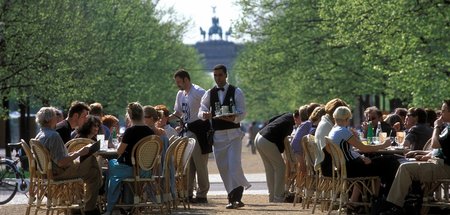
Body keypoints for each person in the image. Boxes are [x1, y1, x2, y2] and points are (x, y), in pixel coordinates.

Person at [381, 100, 450, 215]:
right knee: (403, 164)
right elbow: (441, 149)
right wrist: (424, 154)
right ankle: (408, 201)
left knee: (405, 168)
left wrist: (437, 127)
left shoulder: (445, 128)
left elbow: (435, 144)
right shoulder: (447, 127)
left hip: (444, 167)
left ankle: (395, 206)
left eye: (444, 110)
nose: (441, 113)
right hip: (438, 163)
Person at [198, 64, 250, 209]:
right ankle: (232, 197)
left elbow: (243, 112)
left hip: (233, 134)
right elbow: (200, 110)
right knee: (223, 168)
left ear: (226, 75)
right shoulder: (209, 93)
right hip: (218, 135)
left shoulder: (236, 91)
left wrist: (233, 118)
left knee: (234, 165)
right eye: (215, 75)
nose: (217, 78)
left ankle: (237, 195)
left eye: (220, 75)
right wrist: (205, 115)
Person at [35, 107, 101, 215]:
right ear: (50, 119)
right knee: (93, 169)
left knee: (92, 165)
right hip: (60, 172)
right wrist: (79, 153)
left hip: (47, 172)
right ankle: (90, 208)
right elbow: (61, 162)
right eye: (55, 117)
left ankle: (86, 204)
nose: (57, 119)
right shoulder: (54, 136)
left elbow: (57, 157)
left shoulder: (40, 135)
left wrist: (74, 154)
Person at [329, 107, 398, 207]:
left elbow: (349, 151)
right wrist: (384, 145)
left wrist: (361, 157)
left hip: (345, 167)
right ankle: (385, 200)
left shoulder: (334, 130)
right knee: (390, 161)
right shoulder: (343, 131)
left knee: (382, 162)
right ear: (347, 118)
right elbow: (364, 148)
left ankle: (367, 201)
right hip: (352, 168)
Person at [104, 102, 155, 214]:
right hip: (146, 171)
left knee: (111, 165)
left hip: (131, 170)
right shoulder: (150, 132)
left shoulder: (130, 131)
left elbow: (119, 151)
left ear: (130, 116)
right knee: (115, 167)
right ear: (142, 115)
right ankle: (126, 203)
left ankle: (111, 205)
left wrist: (120, 143)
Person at [170, 69, 210, 204]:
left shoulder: (199, 92)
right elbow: (178, 112)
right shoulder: (180, 94)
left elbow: (208, 109)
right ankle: (187, 193)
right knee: (187, 165)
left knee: (200, 164)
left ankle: (202, 194)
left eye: (179, 82)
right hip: (186, 131)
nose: (178, 85)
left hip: (199, 131)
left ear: (186, 79)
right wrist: (164, 118)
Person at [255, 110, 301, 202]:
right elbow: (282, 143)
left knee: (270, 169)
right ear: (297, 117)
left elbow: (271, 120)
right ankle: (278, 196)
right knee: (281, 168)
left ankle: (272, 197)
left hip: (259, 136)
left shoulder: (287, 114)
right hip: (267, 140)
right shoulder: (289, 124)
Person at [314, 98, 349, 176]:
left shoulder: (324, 122)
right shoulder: (329, 126)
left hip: (324, 163)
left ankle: (354, 187)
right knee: (365, 166)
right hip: (331, 167)